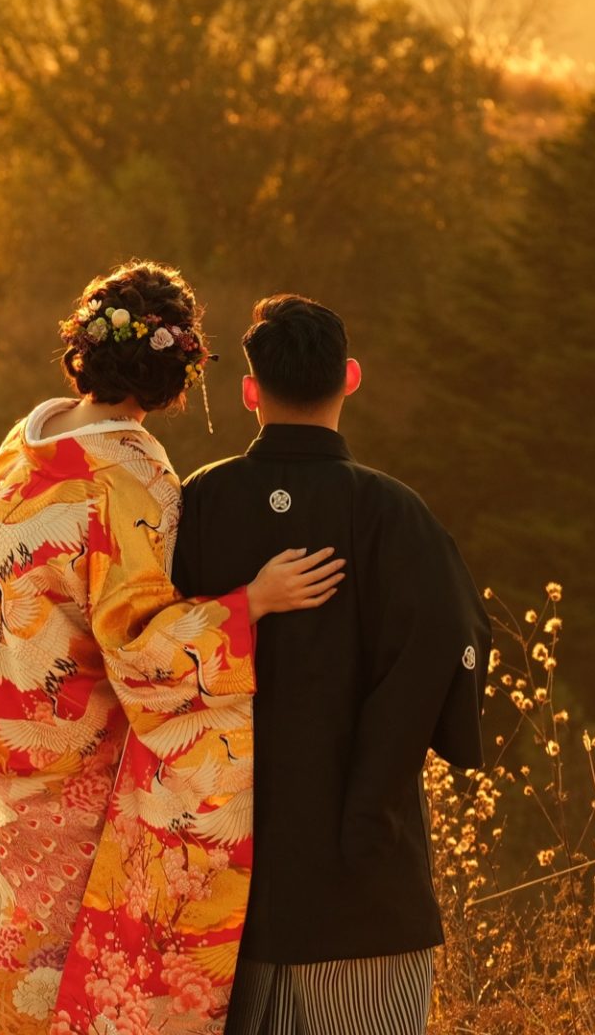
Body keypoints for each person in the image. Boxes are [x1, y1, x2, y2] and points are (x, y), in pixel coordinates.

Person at [0, 262, 345, 1035]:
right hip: (81, 779)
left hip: (4, 766)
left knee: (4, 962)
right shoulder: (129, 473)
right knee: (63, 980)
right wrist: (250, 605)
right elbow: (139, 645)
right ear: (176, 372)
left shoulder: (20, 447)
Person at [172, 294, 490, 1035]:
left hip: (221, 868)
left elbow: (146, 644)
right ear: (350, 377)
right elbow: (450, 643)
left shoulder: (199, 504)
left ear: (251, 392)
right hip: (363, 874)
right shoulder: (395, 514)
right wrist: (371, 798)